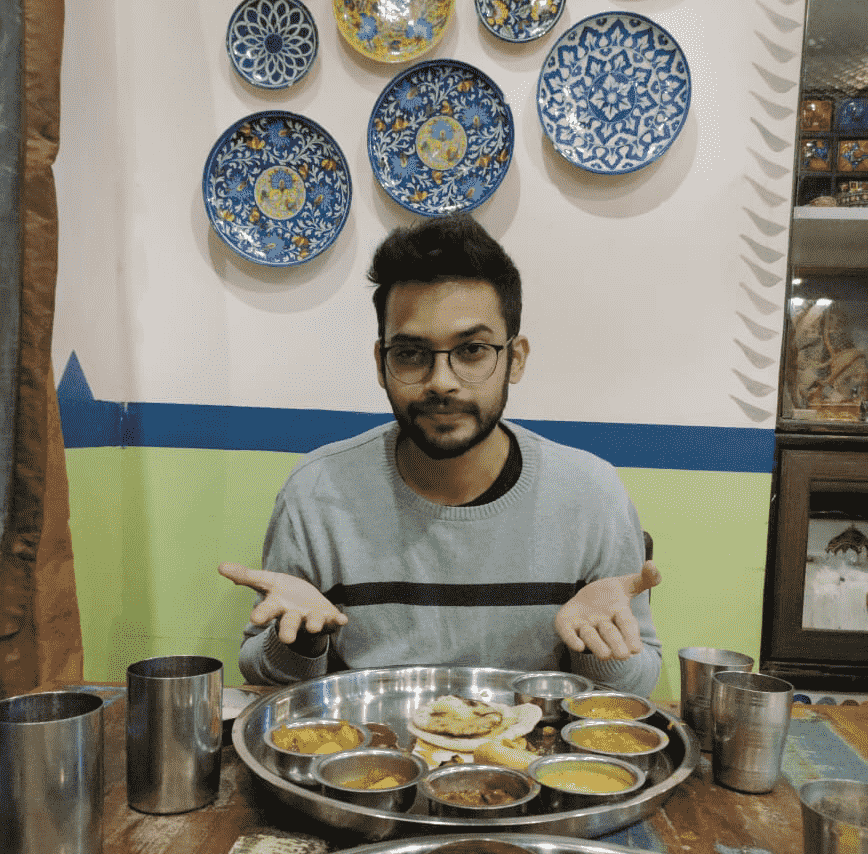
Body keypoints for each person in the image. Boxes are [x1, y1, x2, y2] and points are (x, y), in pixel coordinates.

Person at [220, 214, 662, 695]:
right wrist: (302, 641)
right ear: (381, 363)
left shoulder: (591, 495)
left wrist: (596, 648)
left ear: (514, 359)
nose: (442, 382)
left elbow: (637, 685)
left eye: (472, 350)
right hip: (372, 739)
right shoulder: (317, 492)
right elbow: (263, 673)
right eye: (411, 353)